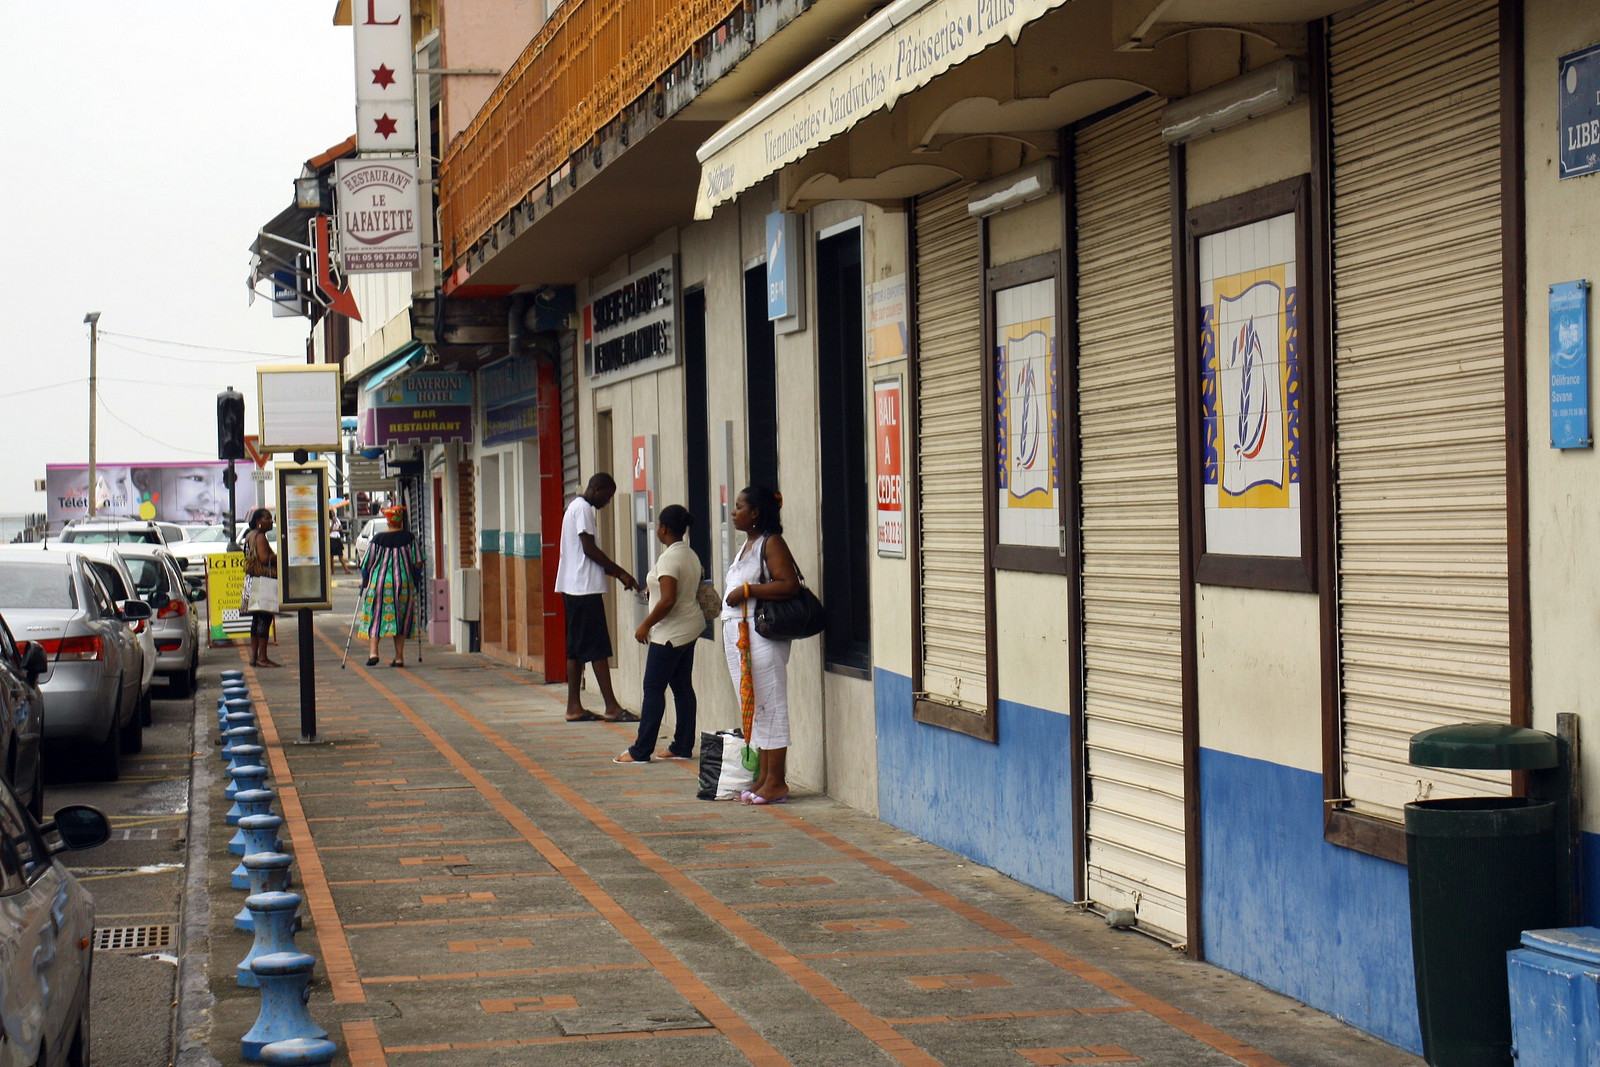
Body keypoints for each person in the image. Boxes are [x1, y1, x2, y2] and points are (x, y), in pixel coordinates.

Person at [722, 486, 800, 804]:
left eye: (739, 506)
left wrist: (747, 590)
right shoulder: (748, 544)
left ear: (755, 513)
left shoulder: (771, 542)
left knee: (771, 703)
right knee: (755, 707)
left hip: (760, 634)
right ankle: (765, 777)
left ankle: (777, 781)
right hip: (738, 633)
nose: (733, 511)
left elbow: (788, 584)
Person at [614, 505, 703, 763]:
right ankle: (682, 745)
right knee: (682, 687)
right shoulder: (689, 554)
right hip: (689, 628)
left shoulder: (669, 559)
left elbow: (668, 600)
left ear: (663, 528)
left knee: (653, 688)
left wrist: (645, 624)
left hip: (669, 634)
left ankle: (641, 750)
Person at [554, 473, 638, 723]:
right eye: (608, 496)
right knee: (598, 647)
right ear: (598, 489)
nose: (608, 502)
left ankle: (574, 707)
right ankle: (611, 706)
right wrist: (619, 572)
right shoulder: (584, 509)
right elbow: (588, 549)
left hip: (573, 587)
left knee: (576, 650)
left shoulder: (574, 507)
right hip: (584, 589)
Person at [358, 505, 424, 667]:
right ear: (401, 521)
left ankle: (374, 652)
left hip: (379, 584)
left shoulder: (377, 539)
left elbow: (366, 563)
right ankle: (399, 656)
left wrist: (364, 581)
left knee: (376, 616)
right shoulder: (409, 538)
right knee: (400, 618)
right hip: (403, 584)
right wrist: (416, 580)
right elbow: (418, 562)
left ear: (388, 521)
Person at [241, 508, 282, 668]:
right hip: (262, 581)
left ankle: (254, 656)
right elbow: (264, 558)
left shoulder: (250, 535)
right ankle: (263, 657)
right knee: (265, 618)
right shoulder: (260, 537)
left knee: (256, 619)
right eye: (267, 518)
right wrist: (277, 556)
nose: (271, 521)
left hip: (251, 581)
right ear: (259, 520)